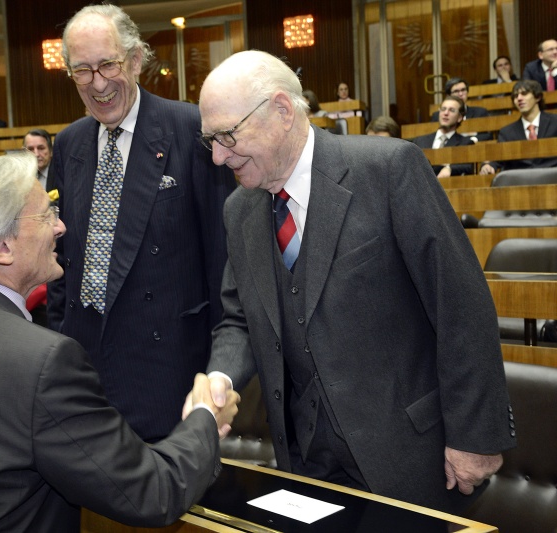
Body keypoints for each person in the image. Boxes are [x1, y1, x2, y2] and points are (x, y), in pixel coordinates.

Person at [189, 50, 515, 514]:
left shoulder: (389, 169)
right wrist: (219, 378)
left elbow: (461, 305)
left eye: (227, 135)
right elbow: (240, 317)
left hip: (408, 457)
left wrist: (475, 437)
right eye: (210, 142)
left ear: (282, 111)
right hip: (304, 461)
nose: (219, 156)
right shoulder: (240, 209)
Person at [0, 154, 239, 532]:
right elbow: (153, 492)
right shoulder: (42, 361)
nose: (61, 227)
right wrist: (205, 418)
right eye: (46, 215)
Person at [46, 4, 237, 442]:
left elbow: (222, 261)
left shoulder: (189, 129)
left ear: (135, 60)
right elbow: (63, 257)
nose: (97, 83)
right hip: (83, 365)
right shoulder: (70, 142)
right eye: (82, 70)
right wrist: (57, 338)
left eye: (107, 65)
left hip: (166, 365)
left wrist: (217, 371)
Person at [480, 79, 557, 174]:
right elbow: (498, 158)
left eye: (524, 94)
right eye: (515, 96)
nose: (519, 98)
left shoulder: (555, 122)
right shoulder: (507, 132)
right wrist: (488, 165)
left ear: (537, 97)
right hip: (521, 180)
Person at [412, 95, 474, 177]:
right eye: (443, 109)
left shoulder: (465, 143)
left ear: (459, 117)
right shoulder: (420, 141)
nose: (446, 113)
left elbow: (468, 166)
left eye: (451, 110)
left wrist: (449, 168)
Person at [429, 77, 490, 143]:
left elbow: (488, 136)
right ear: (449, 95)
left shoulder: (479, 112)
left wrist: (470, 140)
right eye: (456, 91)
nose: (460, 94)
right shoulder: (438, 115)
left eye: (463, 90)